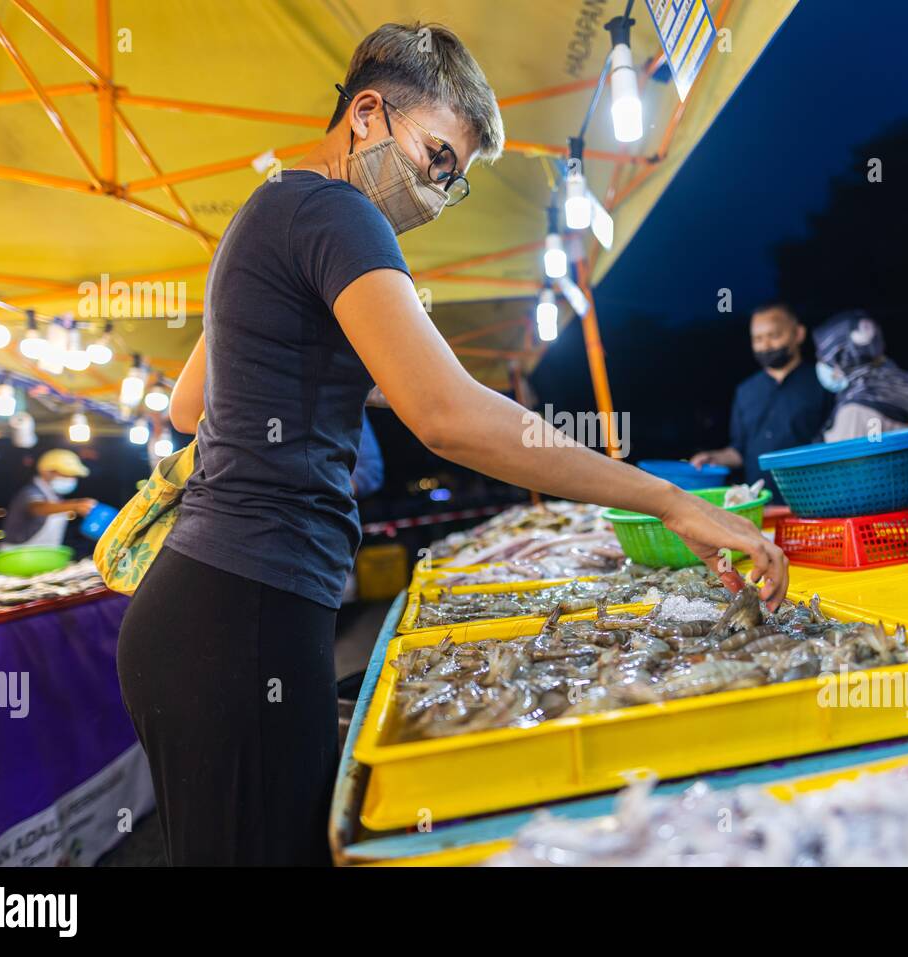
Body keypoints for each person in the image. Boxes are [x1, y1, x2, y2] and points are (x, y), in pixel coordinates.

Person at [116, 22, 787, 867]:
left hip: (191, 615)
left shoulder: (270, 208)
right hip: (246, 605)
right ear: (367, 113)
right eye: (439, 157)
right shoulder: (338, 212)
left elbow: (187, 405)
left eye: (456, 179)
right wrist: (665, 496)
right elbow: (449, 416)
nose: (440, 190)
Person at [691, 302, 834, 489]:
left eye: (774, 336)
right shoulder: (745, 391)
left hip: (814, 500)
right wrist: (715, 458)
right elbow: (740, 451)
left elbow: (837, 443)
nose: (765, 346)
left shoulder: (825, 382)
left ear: (798, 334)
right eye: (757, 339)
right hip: (760, 503)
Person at [812, 310, 908, 442]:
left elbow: (846, 460)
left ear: (840, 359)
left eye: (823, 357)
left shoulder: (854, 411)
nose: (821, 364)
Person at [0, 449, 97, 548]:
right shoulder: (30, 492)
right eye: (65, 474)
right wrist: (75, 505)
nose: (70, 479)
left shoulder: (55, 496)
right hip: (19, 555)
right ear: (46, 472)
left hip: (46, 554)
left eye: (73, 476)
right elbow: (37, 508)